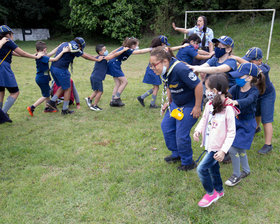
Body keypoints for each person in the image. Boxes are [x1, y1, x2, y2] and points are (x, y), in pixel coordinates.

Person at [149, 46, 203, 171]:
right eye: (150, 65)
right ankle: (177, 154)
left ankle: (188, 162)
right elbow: (169, 85)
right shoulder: (164, 70)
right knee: (167, 127)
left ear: (165, 61)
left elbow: (198, 85)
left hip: (190, 105)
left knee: (181, 134)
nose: (152, 68)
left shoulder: (180, 69)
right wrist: (169, 101)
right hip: (176, 104)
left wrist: (197, 106)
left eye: (154, 65)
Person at [194, 74, 239, 208]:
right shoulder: (209, 104)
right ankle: (219, 191)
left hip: (217, 147)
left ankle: (210, 193)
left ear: (214, 91)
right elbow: (204, 119)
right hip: (209, 144)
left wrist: (223, 150)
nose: (206, 91)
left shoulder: (228, 109)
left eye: (207, 88)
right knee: (214, 169)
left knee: (201, 169)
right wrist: (198, 130)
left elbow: (231, 132)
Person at [225, 63, 266, 186]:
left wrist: (235, 101)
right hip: (237, 121)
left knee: (232, 148)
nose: (236, 78)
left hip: (247, 124)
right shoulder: (236, 87)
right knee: (241, 148)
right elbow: (227, 93)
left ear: (248, 78)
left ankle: (236, 175)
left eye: (239, 76)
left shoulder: (254, 91)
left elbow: (248, 101)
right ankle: (246, 170)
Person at [232, 47, 275, 155]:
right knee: (256, 112)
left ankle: (268, 144)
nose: (249, 63)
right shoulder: (247, 72)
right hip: (255, 95)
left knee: (266, 119)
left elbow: (254, 68)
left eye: (251, 61)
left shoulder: (264, 68)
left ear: (260, 60)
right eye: (247, 60)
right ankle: (256, 128)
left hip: (267, 95)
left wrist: (237, 58)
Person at [46, 37, 103, 115]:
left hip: (53, 68)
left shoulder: (66, 43)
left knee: (63, 86)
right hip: (61, 69)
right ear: (79, 45)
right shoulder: (74, 46)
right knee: (68, 88)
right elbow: (84, 56)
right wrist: (96, 60)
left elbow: (84, 53)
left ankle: (52, 102)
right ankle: (65, 109)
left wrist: (94, 56)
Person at [0, 25, 44, 120]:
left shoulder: (2, 43)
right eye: (12, 34)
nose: (12, 36)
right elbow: (22, 52)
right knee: (15, 92)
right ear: (8, 34)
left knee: (1, 91)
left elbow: (14, 53)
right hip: (3, 69)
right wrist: (36, 57)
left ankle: (1, 114)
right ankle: (2, 115)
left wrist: (32, 55)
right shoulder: (8, 41)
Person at [137, 35, 188, 108]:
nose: (165, 46)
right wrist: (182, 46)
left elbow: (143, 50)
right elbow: (172, 49)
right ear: (162, 44)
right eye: (165, 44)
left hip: (152, 69)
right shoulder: (160, 49)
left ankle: (142, 97)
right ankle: (152, 104)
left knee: (155, 87)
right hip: (154, 70)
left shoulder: (154, 49)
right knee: (156, 87)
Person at [26, 41, 70, 116]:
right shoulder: (43, 57)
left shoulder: (39, 55)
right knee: (46, 95)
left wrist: (59, 46)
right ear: (44, 49)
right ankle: (32, 107)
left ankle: (47, 108)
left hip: (41, 77)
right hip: (42, 78)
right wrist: (63, 51)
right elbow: (55, 59)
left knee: (47, 92)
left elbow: (51, 53)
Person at [107, 37, 152, 107]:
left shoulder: (124, 47)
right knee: (125, 82)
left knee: (118, 83)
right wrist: (151, 49)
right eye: (137, 45)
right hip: (114, 64)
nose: (137, 47)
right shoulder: (128, 49)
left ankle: (112, 101)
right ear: (133, 45)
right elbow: (140, 51)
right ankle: (116, 98)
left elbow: (113, 52)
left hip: (113, 63)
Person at [85, 44, 129, 111]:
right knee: (100, 92)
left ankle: (89, 99)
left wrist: (120, 47)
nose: (106, 51)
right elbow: (114, 55)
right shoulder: (103, 58)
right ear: (100, 52)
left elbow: (113, 52)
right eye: (104, 50)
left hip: (94, 76)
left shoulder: (101, 56)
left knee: (96, 90)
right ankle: (94, 105)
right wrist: (123, 50)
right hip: (97, 77)